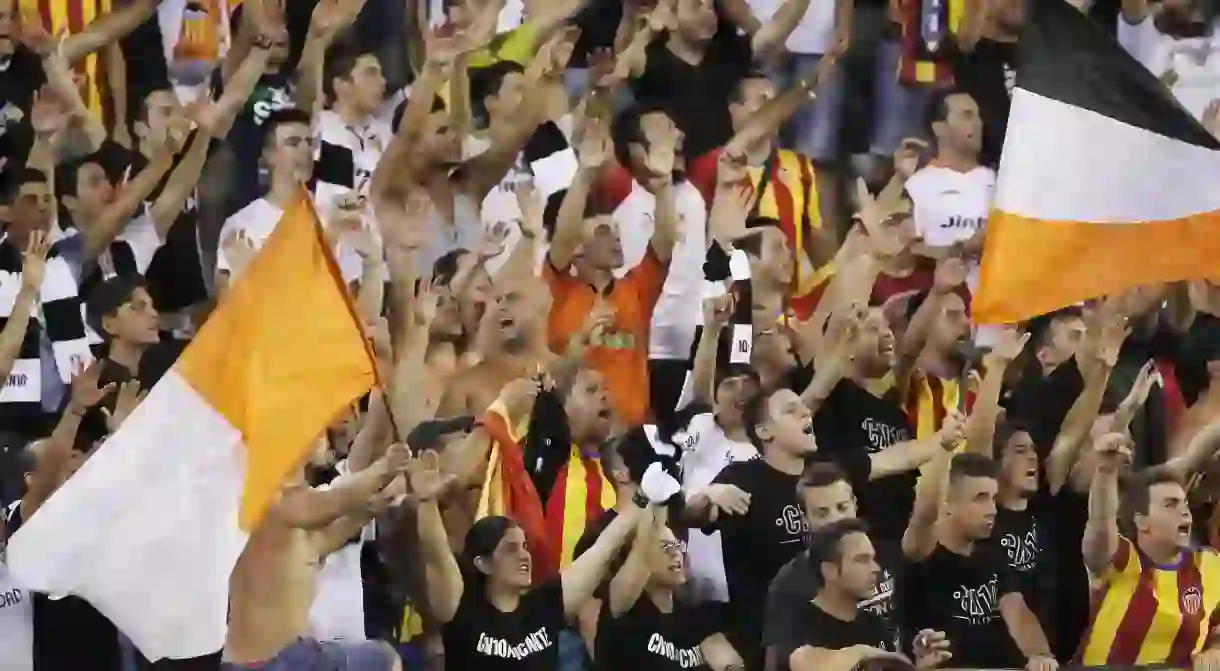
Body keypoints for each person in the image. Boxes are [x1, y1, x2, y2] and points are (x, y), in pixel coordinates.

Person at [415, 444, 649, 671]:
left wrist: (643, 498)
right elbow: (435, 553)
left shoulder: (544, 605)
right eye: (510, 548)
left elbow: (603, 550)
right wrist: (426, 503)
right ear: (484, 563)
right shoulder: (463, 610)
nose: (524, 555)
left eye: (524, 546)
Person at [221, 441, 409, 670]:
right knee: (384, 661)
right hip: (277, 660)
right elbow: (337, 501)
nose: (322, 434)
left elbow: (322, 542)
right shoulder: (275, 495)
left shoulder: (271, 517)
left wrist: (375, 506)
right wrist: (385, 467)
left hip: (260, 660)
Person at [900, 453, 1055, 671]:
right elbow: (924, 514)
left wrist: (1040, 655)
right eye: (980, 498)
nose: (992, 510)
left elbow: (1018, 613)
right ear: (947, 503)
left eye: (993, 498)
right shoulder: (921, 558)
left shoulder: (990, 554)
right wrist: (944, 447)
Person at [1078, 437, 1220, 667]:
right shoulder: (1122, 560)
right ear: (1142, 521)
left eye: (1184, 503)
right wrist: (1105, 472)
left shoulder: (1211, 566)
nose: (1185, 511)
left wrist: (1216, 648)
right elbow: (1100, 526)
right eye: (1170, 504)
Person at [764, 462, 902, 671]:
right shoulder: (788, 585)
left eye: (842, 508)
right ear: (804, 519)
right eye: (822, 513)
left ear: (855, 504)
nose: (835, 520)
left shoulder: (886, 553)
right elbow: (782, 661)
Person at [785, 518, 952, 671]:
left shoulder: (872, 623)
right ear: (829, 570)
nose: (876, 568)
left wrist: (919, 666)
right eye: (862, 560)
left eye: (873, 558)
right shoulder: (798, 627)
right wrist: (866, 654)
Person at [595, 513, 743, 671]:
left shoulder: (697, 619)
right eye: (665, 547)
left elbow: (731, 662)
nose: (676, 553)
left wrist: (730, 666)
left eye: (677, 545)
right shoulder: (624, 615)